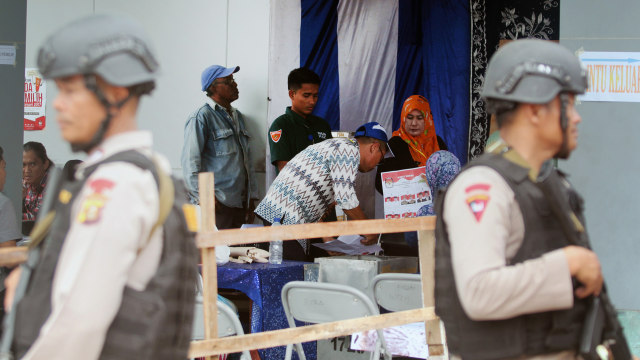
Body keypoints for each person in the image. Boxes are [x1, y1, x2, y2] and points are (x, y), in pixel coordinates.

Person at [3, 14, 197, 360]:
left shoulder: (115, 185)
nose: (57, 103)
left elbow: (79, 323)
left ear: (116, 92)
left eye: (70, 90)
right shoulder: (148, 171)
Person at [434, 39, 632, 359]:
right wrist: (568, 264)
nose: (578, 118)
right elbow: (479, 293)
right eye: (569, 104)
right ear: (536, 109)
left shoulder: (548, 183)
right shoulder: (483, 186)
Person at [255, 122, 388, 261]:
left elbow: (313, 198)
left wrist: (326, 237)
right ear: (374, 147)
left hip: (282, 213)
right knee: (293, 271)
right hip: (283, 215)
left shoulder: (339, 147)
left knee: (299, 267)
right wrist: (368, 228)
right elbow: (346, 199)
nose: (376, 165)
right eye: (381, 159)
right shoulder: (349, 151)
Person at [181, 64, 258, 230]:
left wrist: (252, 199)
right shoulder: (202, 117)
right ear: (212, 87)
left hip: (240, 204)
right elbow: (190, 164)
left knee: (238, 253)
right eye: (229, 81)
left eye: (233, 80)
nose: (235, 84)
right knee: (218, 254)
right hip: (218, 205)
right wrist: (205, 198)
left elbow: (247, 161)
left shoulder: (238, 117)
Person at [375, 95, 446, 194]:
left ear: (427, 118)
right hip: (406, 204)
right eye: (410, 117)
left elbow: (448, 175)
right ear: (404, 118)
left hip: (435, 204)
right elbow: (380, 183)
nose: (414, 123)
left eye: (419, 118)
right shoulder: (395, 144)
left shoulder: (438, 142)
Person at [268, 67, 333, 173]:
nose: (312, 101)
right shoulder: (280, 126)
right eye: (306, 96)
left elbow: (331, 163)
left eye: (315, 96)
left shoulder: (323, 125)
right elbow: (285, 170)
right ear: (291, 94)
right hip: (293, 188)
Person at [404, 150, 461, 249]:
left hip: (438, 263)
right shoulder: (472, 205)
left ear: (432, 176)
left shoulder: (427, 211)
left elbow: (411, 239)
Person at [21, 142, 52, 223]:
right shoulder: (24, 184)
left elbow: (37, 218)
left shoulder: (52, 186)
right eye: (23, 165)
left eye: (32, 164)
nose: (27, 170)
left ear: (45, 164)